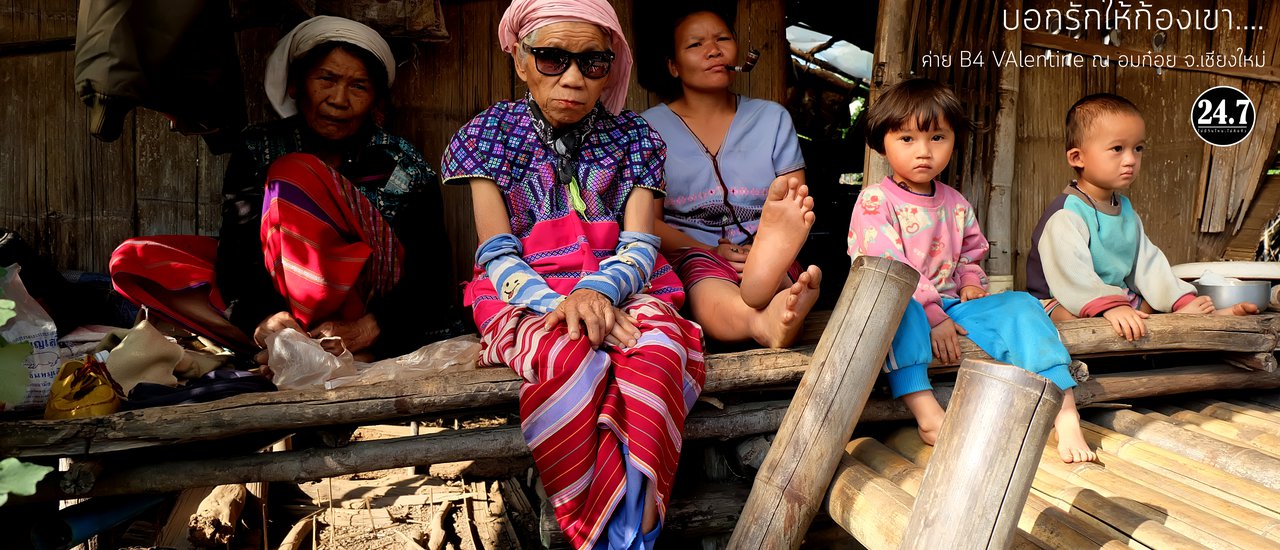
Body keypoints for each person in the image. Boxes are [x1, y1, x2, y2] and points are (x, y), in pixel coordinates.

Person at [439, 1, 704, 547]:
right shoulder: (487, 133)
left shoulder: (635, 137)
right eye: (552, 58)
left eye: (593, 63)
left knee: (656, 352)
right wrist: (556, 304)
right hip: (524, 292)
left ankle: (638, 530)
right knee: (569, 357)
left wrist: (595, 292)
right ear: (519, 60)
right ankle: (592, 528)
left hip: (624, 285)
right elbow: (496, 249)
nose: (575, 78)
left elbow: (640, 243)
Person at [110, 16, 454, 361]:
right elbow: (237, 249)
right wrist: (263, 316)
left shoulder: (401, 162)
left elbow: (432, 272)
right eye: (326, 79)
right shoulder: (259, 146)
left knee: (293, 174)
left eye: (359, 86)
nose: (339, 99)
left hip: (365, 310)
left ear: (376, 100)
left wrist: (367, 327)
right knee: (136, 260)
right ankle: (294, 342)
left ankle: (321, 346)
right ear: (295, 86)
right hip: (280, 303)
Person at [848, 78, 1095, 463]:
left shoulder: (956, 203)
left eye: (937, 138)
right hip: (908, 305)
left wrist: (968, 284)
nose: (924, 152)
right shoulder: (874, 201)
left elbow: (969, 255)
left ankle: (1064, 409)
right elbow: (890, 268)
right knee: (895, 308)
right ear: (882, 142)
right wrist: (932, 316)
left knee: (1022, 305)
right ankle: (927, 413)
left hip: (950, 307)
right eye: (907, 139)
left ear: (953, 141)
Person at [640, 7, 821, 349]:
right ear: (673, 65)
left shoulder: (772, 118)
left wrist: (756, 253)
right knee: (704, 281)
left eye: (723, 39)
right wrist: (712, 250)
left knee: (776, 263)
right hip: (694, 252)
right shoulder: (647, 129)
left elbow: (797, 202)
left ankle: (775, 281)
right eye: (696, 44)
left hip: (764, 246)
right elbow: (649, 222)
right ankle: (764, 318)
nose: (714, 50)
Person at [1027, 93, 1258, 341]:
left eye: (1137, 148)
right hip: (1061, 299)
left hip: (1114, 298)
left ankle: (1192, 318)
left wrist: (1179, 299)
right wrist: (1110, 306)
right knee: (1067, 318)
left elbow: (1148, 264)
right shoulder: (1066, 214)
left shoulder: (1124, 209)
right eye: (1117, 148)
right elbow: (1071, 275)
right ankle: (1166, 322)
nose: (1130, 160)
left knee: (1149, 300)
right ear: (1077, 157)